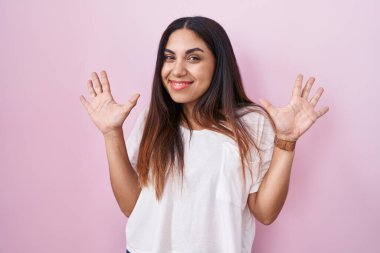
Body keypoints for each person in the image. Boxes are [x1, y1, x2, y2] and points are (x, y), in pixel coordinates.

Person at [79, 16, 329, 253]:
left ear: (218, 64)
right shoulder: (152, 120)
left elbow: (265, 212)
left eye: (193, 58)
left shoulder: (251, 123)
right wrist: (112, 133)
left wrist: (286, 140)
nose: (177, 70)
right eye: (169, 57)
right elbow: (131, 206)